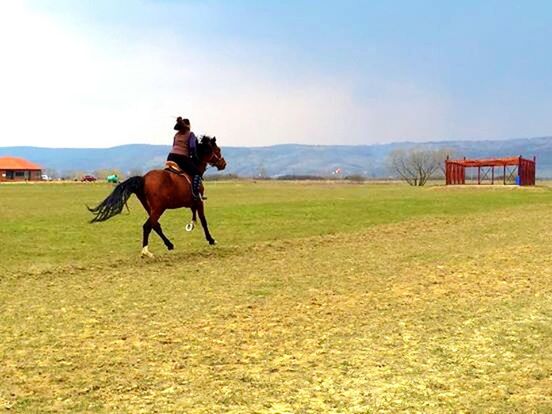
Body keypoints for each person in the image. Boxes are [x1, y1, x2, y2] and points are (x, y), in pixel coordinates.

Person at [166, 117, 204, 200]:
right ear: (189, 126)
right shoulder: (191, 134)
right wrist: (194, 157)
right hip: (182, 157)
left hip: (170, 157)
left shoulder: (176, 135)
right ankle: (195, 193)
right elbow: (192, 147)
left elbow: (174, 146)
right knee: (197, 173)